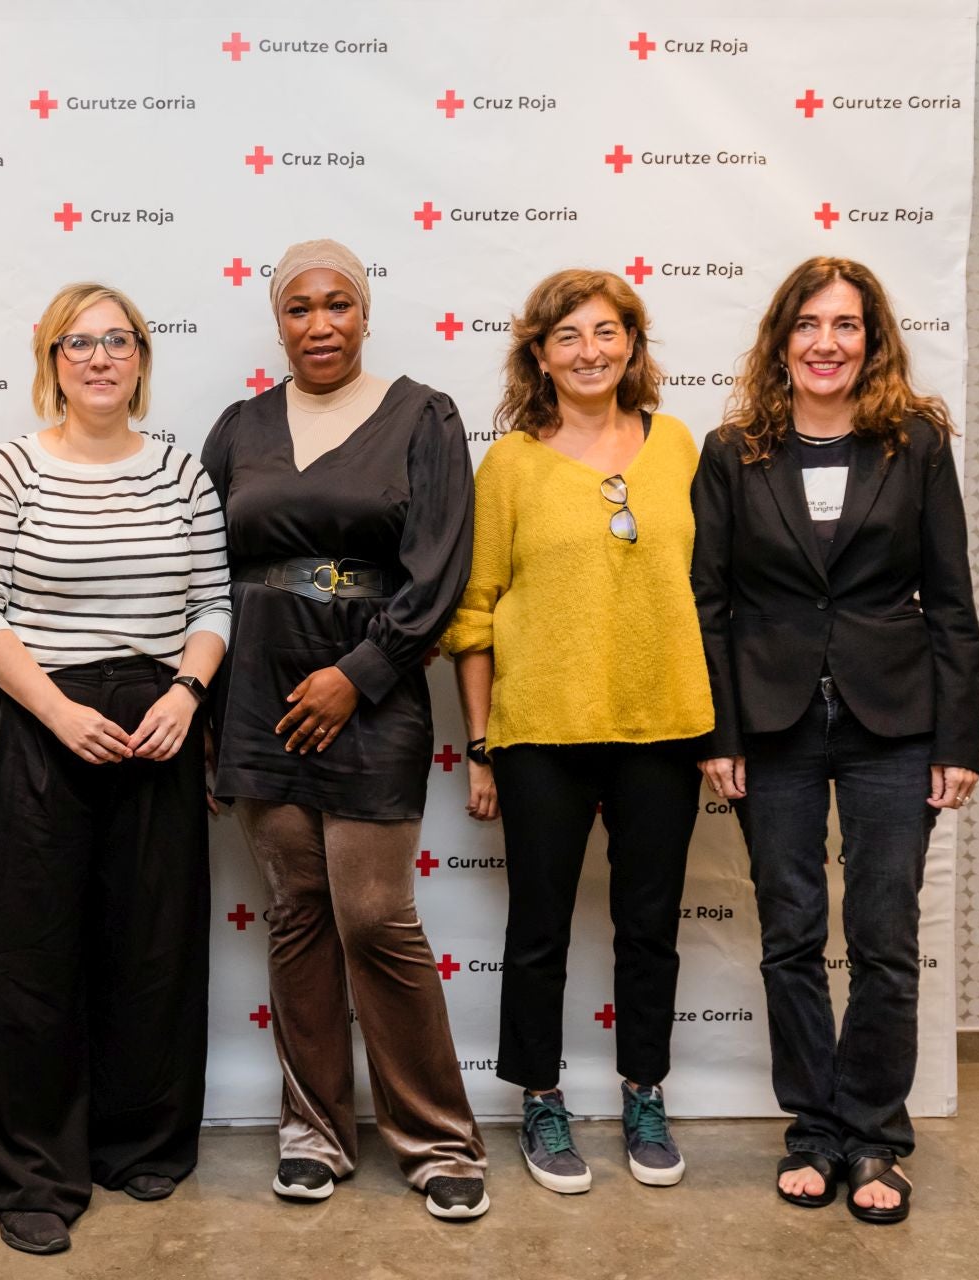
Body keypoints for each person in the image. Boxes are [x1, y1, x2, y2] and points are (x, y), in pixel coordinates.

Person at [200, 239, 489, 1221]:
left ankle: (437, 1137)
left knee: (374, 914)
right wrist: (204, 721)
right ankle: (314, 1130)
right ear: (278, 320)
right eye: (298, 308)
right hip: (255, 697)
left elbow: (441, 571)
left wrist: (357, 675)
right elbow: (204, 572)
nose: (318, 323)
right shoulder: (239, 426)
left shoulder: (425, 414)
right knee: (298, 913)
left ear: (364, 313)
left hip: (373, 693)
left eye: (337, 304)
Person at [690, 256, 979, 1225]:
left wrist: (959, 738)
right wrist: (720, 731)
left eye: (846, 324)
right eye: (808, 324)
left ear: (874, 340)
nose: (826, 342)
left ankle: (875, 1135)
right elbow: (711, 604)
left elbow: (950, 600)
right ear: (781, 340)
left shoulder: (917, 443)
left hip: (895, 723)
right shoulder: (733, 451)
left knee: (887, 937)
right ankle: (814, 1128)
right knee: (791, 937)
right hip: (771, 725)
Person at [0, 282, 230, 1256]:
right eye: (80, 342)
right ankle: (30, 1168)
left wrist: (188, 692)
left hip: (155, 725)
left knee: (149, 945)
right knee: (25, 953)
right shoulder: (8, 468)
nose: (100, 357)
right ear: (52, 358)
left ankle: (138, 1136)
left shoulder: (182, 472)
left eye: (118, 340)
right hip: (36, 722)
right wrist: (59, 709)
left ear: (143, 356)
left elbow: (215, 602)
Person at [441, 269, 713, 1196]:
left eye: (607, 332)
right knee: (539, 930)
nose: (590, 351)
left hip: (664, 727)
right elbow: (474, 614)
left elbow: (711, 593)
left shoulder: (679, 447)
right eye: (568, 337)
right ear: (539, 355)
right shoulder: (510, 464)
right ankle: (541, 1099)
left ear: (633, 344)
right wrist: (482, 745)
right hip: (541, 736)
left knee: (648, 927)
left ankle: (645, 1092)